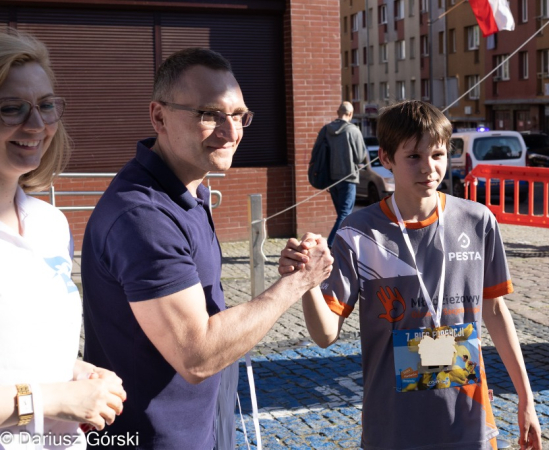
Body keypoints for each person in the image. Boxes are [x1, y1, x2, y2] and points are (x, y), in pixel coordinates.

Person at [81, 48, 333, 450]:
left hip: (200, 429)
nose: (231, 132)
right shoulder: (143, 216)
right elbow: (197, 355)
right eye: (209, 114)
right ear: (159, 117)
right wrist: (300, 282)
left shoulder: (190, 189)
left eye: (239, 116)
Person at [281, 100, 542, 450]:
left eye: (437, 154)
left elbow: (494, 312)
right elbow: (326, 334)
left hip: (468, 420)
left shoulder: (478, 221)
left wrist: (527, 398)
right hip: (392, 427)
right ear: (386, 159)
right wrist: (306, 281)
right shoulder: (358, 232)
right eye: (413, 157)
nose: (429, 169)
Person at [0, 31, 126, 449]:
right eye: (11, 108)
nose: (35, 125)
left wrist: (74, 372)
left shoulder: (50, 223)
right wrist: (55, 398)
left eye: (46, 106)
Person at [316, 101, 366, 247]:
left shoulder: (326, 130)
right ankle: (330, 246)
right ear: (350, 114)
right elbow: (360, 156)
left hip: (332, 179)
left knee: (343, 216)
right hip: (348, 178)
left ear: (338, 113)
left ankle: (347, 246)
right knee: (345, 215)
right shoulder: (353, 130)